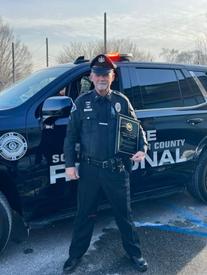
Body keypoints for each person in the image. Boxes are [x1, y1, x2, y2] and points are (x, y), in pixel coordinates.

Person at [63, 54, 148, 273]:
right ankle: (75, 256)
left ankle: (135, 254)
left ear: (112, 76)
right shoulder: (82, 103)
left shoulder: (121, 101)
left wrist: (143, 147)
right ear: (91, 77)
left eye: (106, 74)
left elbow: (136, 128)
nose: (102, 78)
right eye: (98, 74)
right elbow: (70, 137)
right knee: (84, 215)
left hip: (116, 170)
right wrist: (70, 165)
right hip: (89, 170)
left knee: (124, 216)